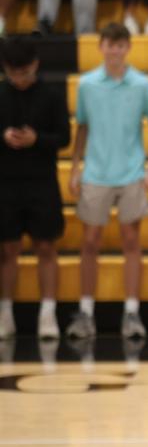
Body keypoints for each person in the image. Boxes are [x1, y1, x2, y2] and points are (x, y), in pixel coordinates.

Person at [67, 22, 148, 340]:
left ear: (128, 48)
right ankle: (85, 312)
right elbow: (82, 127)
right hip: (95, 174)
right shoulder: (87, 84)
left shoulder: (142, 84)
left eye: (121, 45)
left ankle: (132, 313)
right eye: (110, 44)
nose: (115, 50)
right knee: (89, 242)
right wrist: (74, 168)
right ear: (101, 46)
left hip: (132, 173)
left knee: (131, 242)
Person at [0, 36, 70, 340]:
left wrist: (36, 139)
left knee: (46, 246)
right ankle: (5, 313)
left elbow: (64, 138)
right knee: (8, 249)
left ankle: (48, 312)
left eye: (25, 72)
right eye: (14, 73)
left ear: (36, 65)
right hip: (5, 183)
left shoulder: (52, 95)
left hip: (43, 182)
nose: (20, 79)